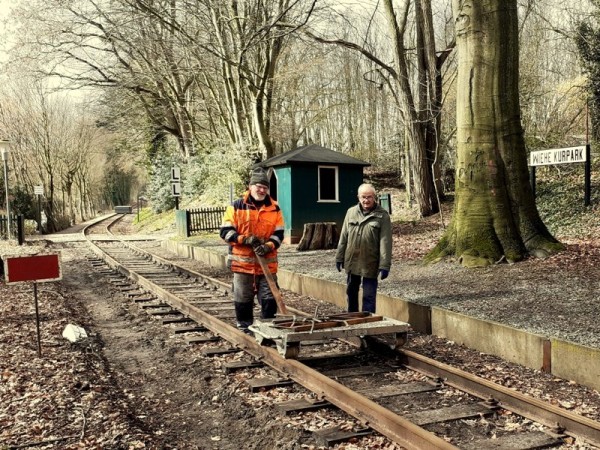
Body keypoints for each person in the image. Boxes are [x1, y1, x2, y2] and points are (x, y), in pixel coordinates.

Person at [220, 167, 285, 333]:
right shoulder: (236, 206)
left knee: (269, 297)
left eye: (265, 187)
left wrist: (268, 246)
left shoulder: (275, 208)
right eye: (258, 186)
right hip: (243, 264)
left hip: (267, 265)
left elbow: (279, 233)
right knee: (243, 297)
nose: (262, 190)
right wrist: (244, 239)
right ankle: (245, 328)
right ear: (250, 187)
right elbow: (226, 232)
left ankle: (268, 327)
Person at [335, 183, 392, 314]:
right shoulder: (351, 212)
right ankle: (352, 320)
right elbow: (343, 237)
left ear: (375, 197)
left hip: (370, 262)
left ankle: (367, 324)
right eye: (363, 197)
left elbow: (386, 242)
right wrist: (339, 257)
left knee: (369, 296)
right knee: (351, 292)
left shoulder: (382, 216)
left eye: (369, 197)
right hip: (352, 260)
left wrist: (385, 265)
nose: (366, 200)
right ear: (358, 197)